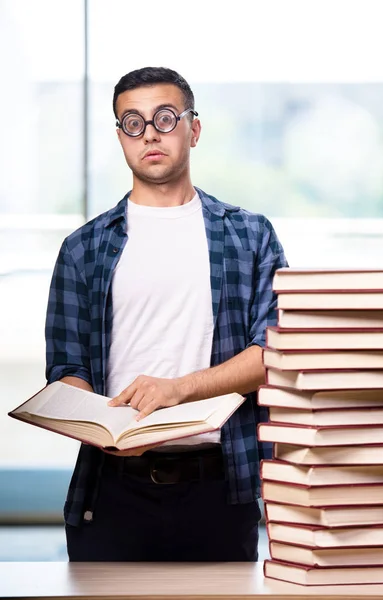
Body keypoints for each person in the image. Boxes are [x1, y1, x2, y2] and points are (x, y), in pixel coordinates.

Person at [45, 66, 288, 562]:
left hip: (221, 487)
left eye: (164, 117)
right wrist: (103, 429)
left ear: (193, 129)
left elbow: (274, 353)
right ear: (121, 138)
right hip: (111, 489)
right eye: (132, 123)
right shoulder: (83, 249)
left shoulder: (250, 236)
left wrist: (176, 389)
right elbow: (68, 370)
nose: (149, 133)